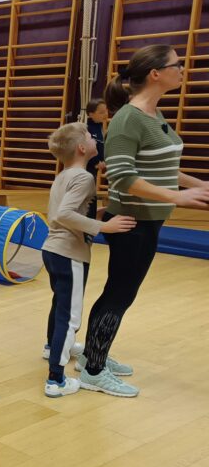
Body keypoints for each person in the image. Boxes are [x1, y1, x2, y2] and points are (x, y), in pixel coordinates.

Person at [79, 45, 209, 397]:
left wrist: (196, 184)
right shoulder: (128, 119)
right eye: (177, 65)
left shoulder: (153, 113)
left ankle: (93, 354)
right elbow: (122, 177)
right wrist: (178, 197)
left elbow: (161, 164)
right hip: (132, 222)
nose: (182, 70)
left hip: (149, 220)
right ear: (155, 73)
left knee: (119, 292)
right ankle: (93, 370)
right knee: (120, 294)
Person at [40, 122, 135, 398]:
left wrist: (98, 213)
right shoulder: (84, 178)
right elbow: (64, 215)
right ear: (82, 148)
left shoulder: (64, 175)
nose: (96, 139)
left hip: (53, 250)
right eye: (91, 136)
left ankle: (51, 347)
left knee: (59, 304)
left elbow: (65, 211)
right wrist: (104, 227)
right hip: (69, 253)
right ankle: (56, 381)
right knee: (69, 318)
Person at [84, 98, 109, 219]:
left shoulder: (99, 128)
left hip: (93, 170)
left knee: (92, 199)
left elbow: (100, 148)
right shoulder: (86, 129)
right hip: (86, 170)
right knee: (88, 199)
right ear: (91, 114)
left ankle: (91, 221)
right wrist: (95, 162)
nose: (105, 114)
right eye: (101, 112)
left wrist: (102, 161)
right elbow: (84, 152)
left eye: (106, 111)